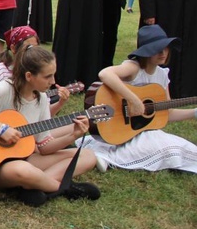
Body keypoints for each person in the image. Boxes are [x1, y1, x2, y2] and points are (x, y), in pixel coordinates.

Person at [0, 45, 99, 207]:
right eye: (47, 76)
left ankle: (35, 185)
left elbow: (44, 147)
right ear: (29, 76)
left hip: (26, 158)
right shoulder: (4, 89)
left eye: (53, 75)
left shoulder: (42, 99)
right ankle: (64, 188)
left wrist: (73, 135)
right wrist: (1, 128)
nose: (53, 81)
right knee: (23, 170)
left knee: (88, 155)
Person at [78, 25, 197, 173]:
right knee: (163, 145)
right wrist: (133, 99)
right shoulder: (134, 68)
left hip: (141, 130)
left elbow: (167, 112)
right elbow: (105, 74)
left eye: (166, 48)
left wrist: (194, 112)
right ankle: (106, 156)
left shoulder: (162, 75)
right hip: (120, 124)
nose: (163, 52)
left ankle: (106, 155)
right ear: (146, 52)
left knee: (180, 148)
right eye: (157, 49)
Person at [0, 26, 69, 116]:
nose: (32, 53)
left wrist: (60, 103)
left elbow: (42, 115)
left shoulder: (37, 77)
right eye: (28, 48)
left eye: (36, 48)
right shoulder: (0, 70)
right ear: (13, 48)